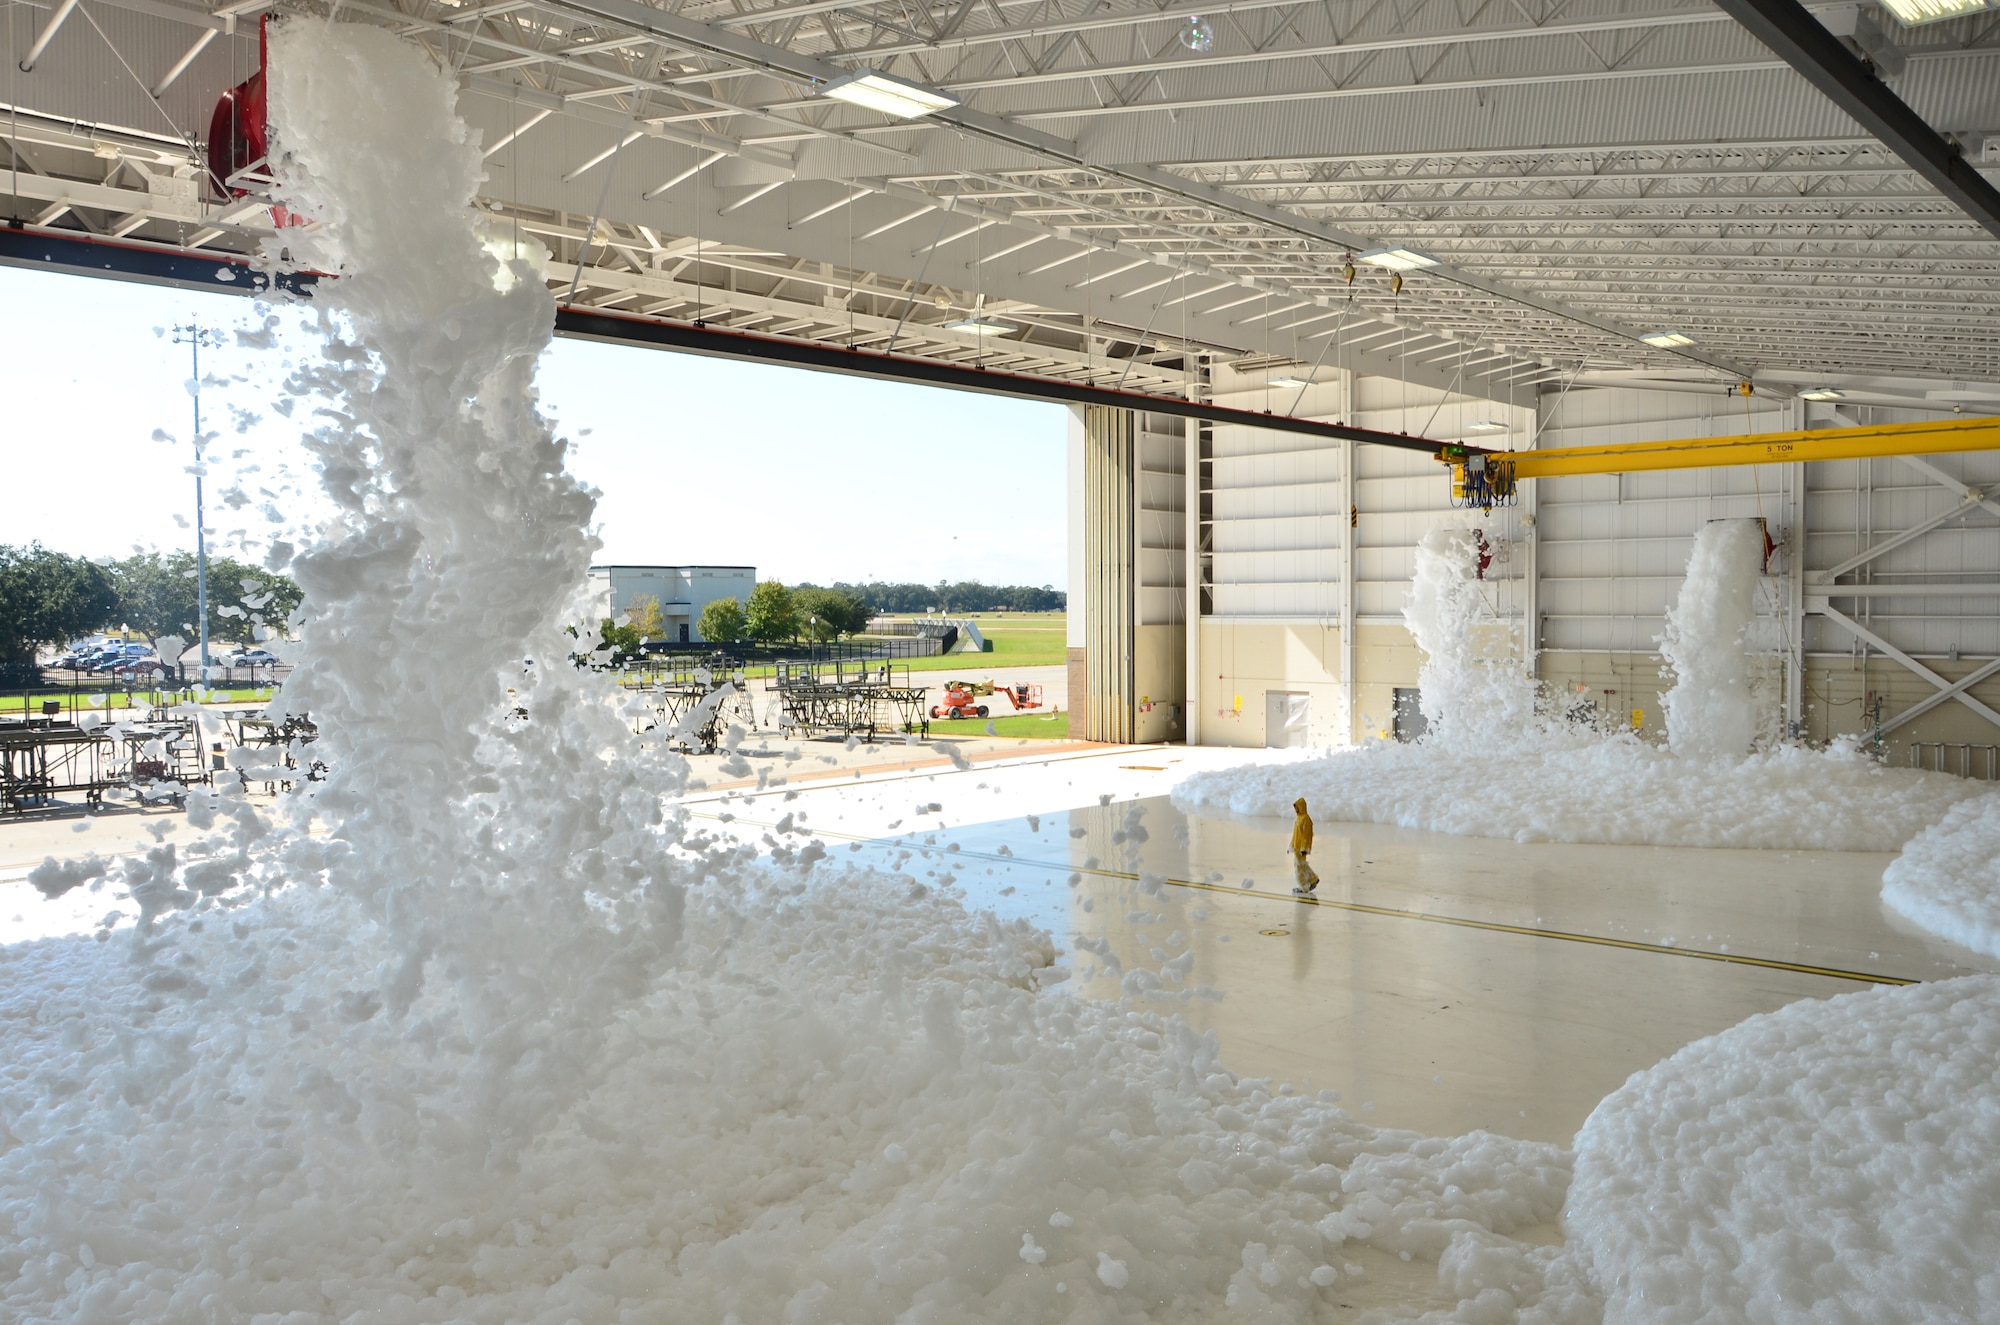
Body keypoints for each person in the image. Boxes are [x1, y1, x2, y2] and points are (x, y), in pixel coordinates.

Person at [1290, 797, 1319, 896]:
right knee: (1301, 865)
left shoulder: (1306, 819)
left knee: (1299, 867)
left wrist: (1304, 848)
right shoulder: (1299, 819)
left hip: (1301, 848)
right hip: (1297, 847)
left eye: (1297, 807)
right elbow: (1295, 834)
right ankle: (1312, 879)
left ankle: (1303, 887)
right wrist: (1291, 845)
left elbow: (1306, 835)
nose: (1296, 810)